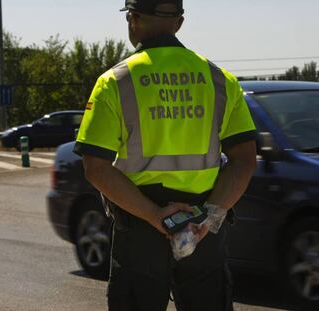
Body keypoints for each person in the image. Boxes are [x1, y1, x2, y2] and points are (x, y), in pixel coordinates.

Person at [74, 0, 257, 310]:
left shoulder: (114, 83)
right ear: (179, 22)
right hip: (201, 231)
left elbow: (96, 168)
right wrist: (208, 219)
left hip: (140, 233)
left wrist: (155, 216)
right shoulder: (220, 81)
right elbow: (244, 161)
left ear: (132, 19)